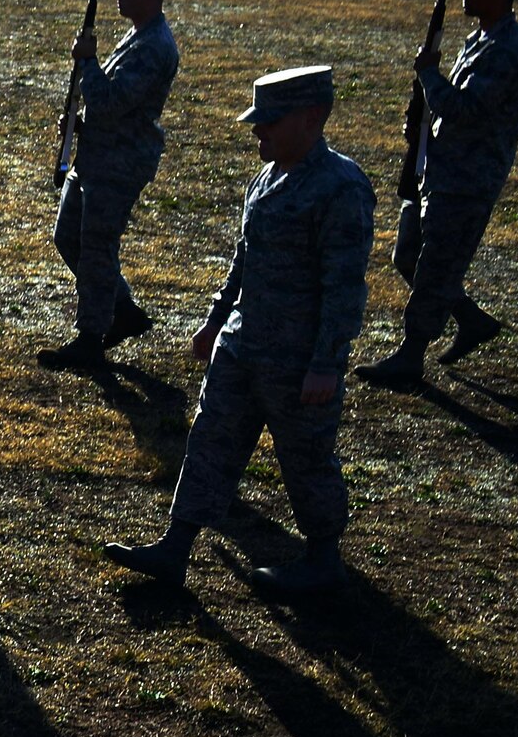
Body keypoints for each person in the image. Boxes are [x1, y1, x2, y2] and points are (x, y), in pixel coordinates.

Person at [104, 67, 374, 599]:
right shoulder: (267, 176)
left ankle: (324, 559)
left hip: (297, 361)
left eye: (270, 122)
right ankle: (174, 549)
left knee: (305, 458)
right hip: (242, 345)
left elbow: (344, 287)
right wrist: (213, 320)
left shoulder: (340, 188)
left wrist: (326, 361)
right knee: (210, 442)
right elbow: (243, 260)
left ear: (311, 119)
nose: (258, 131)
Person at [358, 0, 518, 383]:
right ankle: (472, 321)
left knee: (435, 266)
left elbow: (463, 110)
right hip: (437, 169)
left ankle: (410, 357)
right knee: (409, 256)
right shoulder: (482, 38)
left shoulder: (509, 50)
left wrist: (429, 76)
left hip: (466, 181)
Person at [40, 0, 179, 371]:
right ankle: (122, 309)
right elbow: (105, 107)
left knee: (97, 248)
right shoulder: (138, 36)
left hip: (119, 163)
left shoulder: (154, 46)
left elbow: (112, 100)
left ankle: (90, 337)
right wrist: (80, 122)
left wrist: (87, 62)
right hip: (97, 155)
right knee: (69, 237)